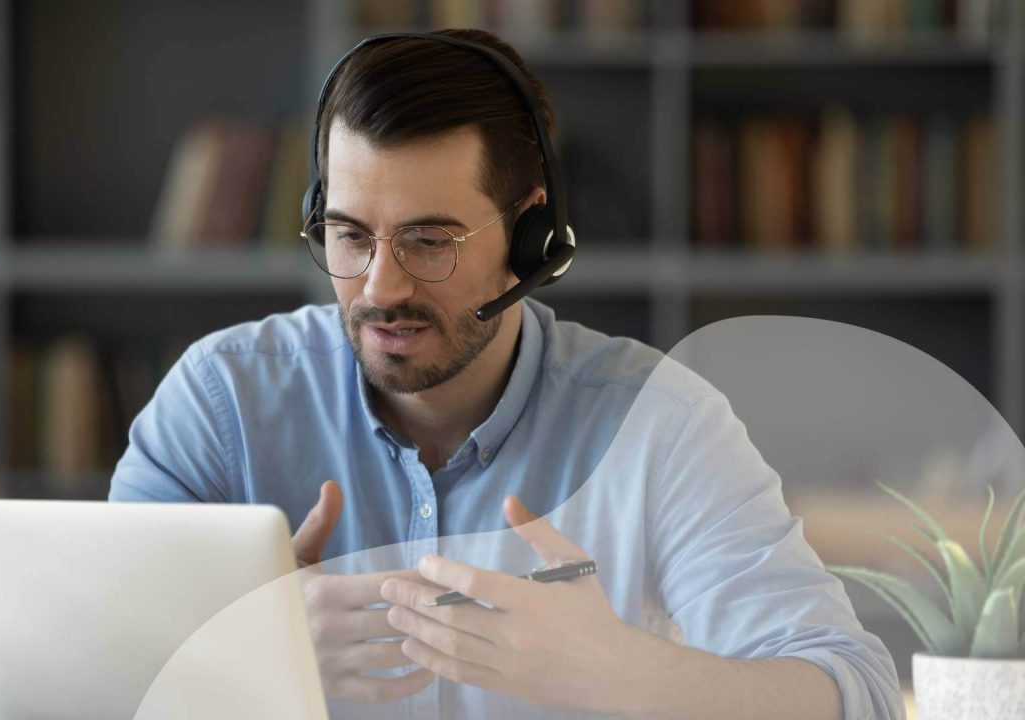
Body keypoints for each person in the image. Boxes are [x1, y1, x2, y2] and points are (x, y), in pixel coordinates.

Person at [109, 28, 903, 720]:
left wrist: (632, 676)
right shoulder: (220, 402)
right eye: (349, 236)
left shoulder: (658, 425)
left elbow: (857, 694)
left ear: (533, 240)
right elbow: (82, 671)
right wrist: (249, 657)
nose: (381, 288)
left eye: (429, 242)